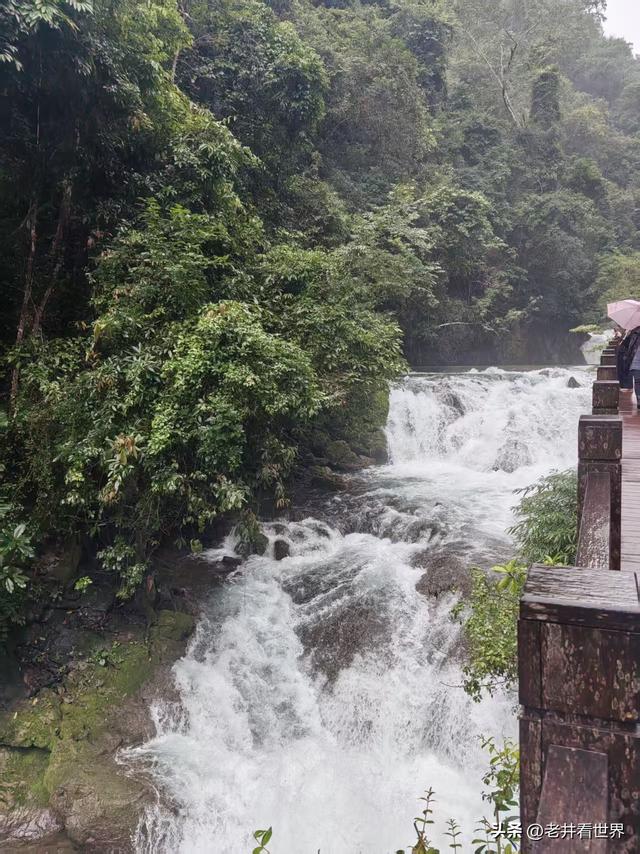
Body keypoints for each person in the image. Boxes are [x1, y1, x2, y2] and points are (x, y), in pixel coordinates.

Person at [617, 325, 640, 408]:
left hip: (635, 361)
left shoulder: (634, 331)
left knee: (638, 381)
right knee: (638, 381)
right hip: (636, 361)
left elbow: (623, 345)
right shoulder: (634, 332)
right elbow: (624, 345)